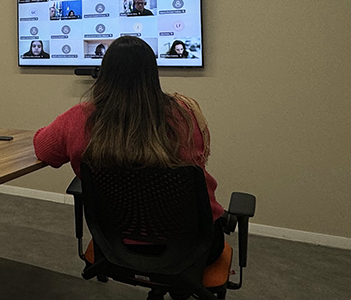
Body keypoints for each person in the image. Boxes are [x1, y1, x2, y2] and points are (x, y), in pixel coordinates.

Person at [33, 36, 225, 263]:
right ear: (152, 73)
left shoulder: (77, 119)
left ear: (104, 72)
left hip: (115, 246)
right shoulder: (186, 114)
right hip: (197, 248)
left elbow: (43, 149)